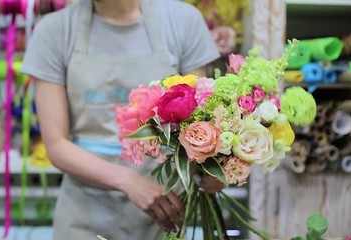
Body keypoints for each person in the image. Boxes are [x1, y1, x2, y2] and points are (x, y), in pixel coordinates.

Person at [21, 0, 223, 239]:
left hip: (164, 209)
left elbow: (196, 122)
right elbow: (56, 144)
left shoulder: (182, 22)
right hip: (84, 212)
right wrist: (127, 180)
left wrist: (214, 165)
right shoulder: (54, 31)